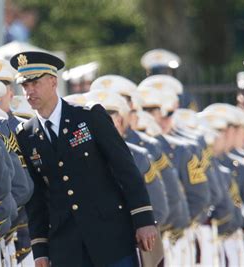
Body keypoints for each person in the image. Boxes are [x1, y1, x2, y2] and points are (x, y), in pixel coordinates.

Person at [11, 51, 158, 267]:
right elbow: (37, 197)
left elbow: (125, 169)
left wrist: (143, 219)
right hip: (66, 246)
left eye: (35, 83)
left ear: (53, 82)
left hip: (110, 236)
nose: (29, 91)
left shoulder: (88, 116)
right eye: (24, 85)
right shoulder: (26, 134)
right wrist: (40, 248)